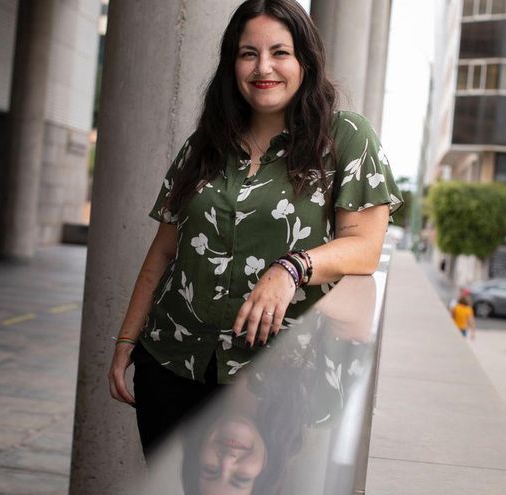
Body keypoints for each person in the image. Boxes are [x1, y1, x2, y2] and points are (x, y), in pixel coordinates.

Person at [107, 0, 403, 458]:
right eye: (249, 53)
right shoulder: (205, 144)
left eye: (280, 52)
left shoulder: (345, 137)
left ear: (305, 60)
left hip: (270, 377)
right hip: (169, 363)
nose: (264, 67)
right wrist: (128, 339)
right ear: (233, 64)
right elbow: (164, 250)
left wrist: (291, 268)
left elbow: (364, 246)